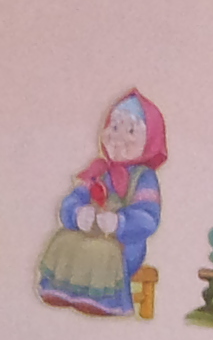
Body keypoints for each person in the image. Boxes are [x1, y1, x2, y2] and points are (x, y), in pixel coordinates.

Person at [36, 89, 166, 316]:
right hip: (92, 232)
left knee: (102, 251)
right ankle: (60, 291)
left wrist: (119, 223)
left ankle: (103, 301)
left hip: (125, 243)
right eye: (114, 128)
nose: (119, 138)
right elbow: (72, 200)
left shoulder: (143, 178)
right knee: (65, 239)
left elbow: (148, 219)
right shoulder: (99, 171)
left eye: (130, 131)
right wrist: (77, 214)